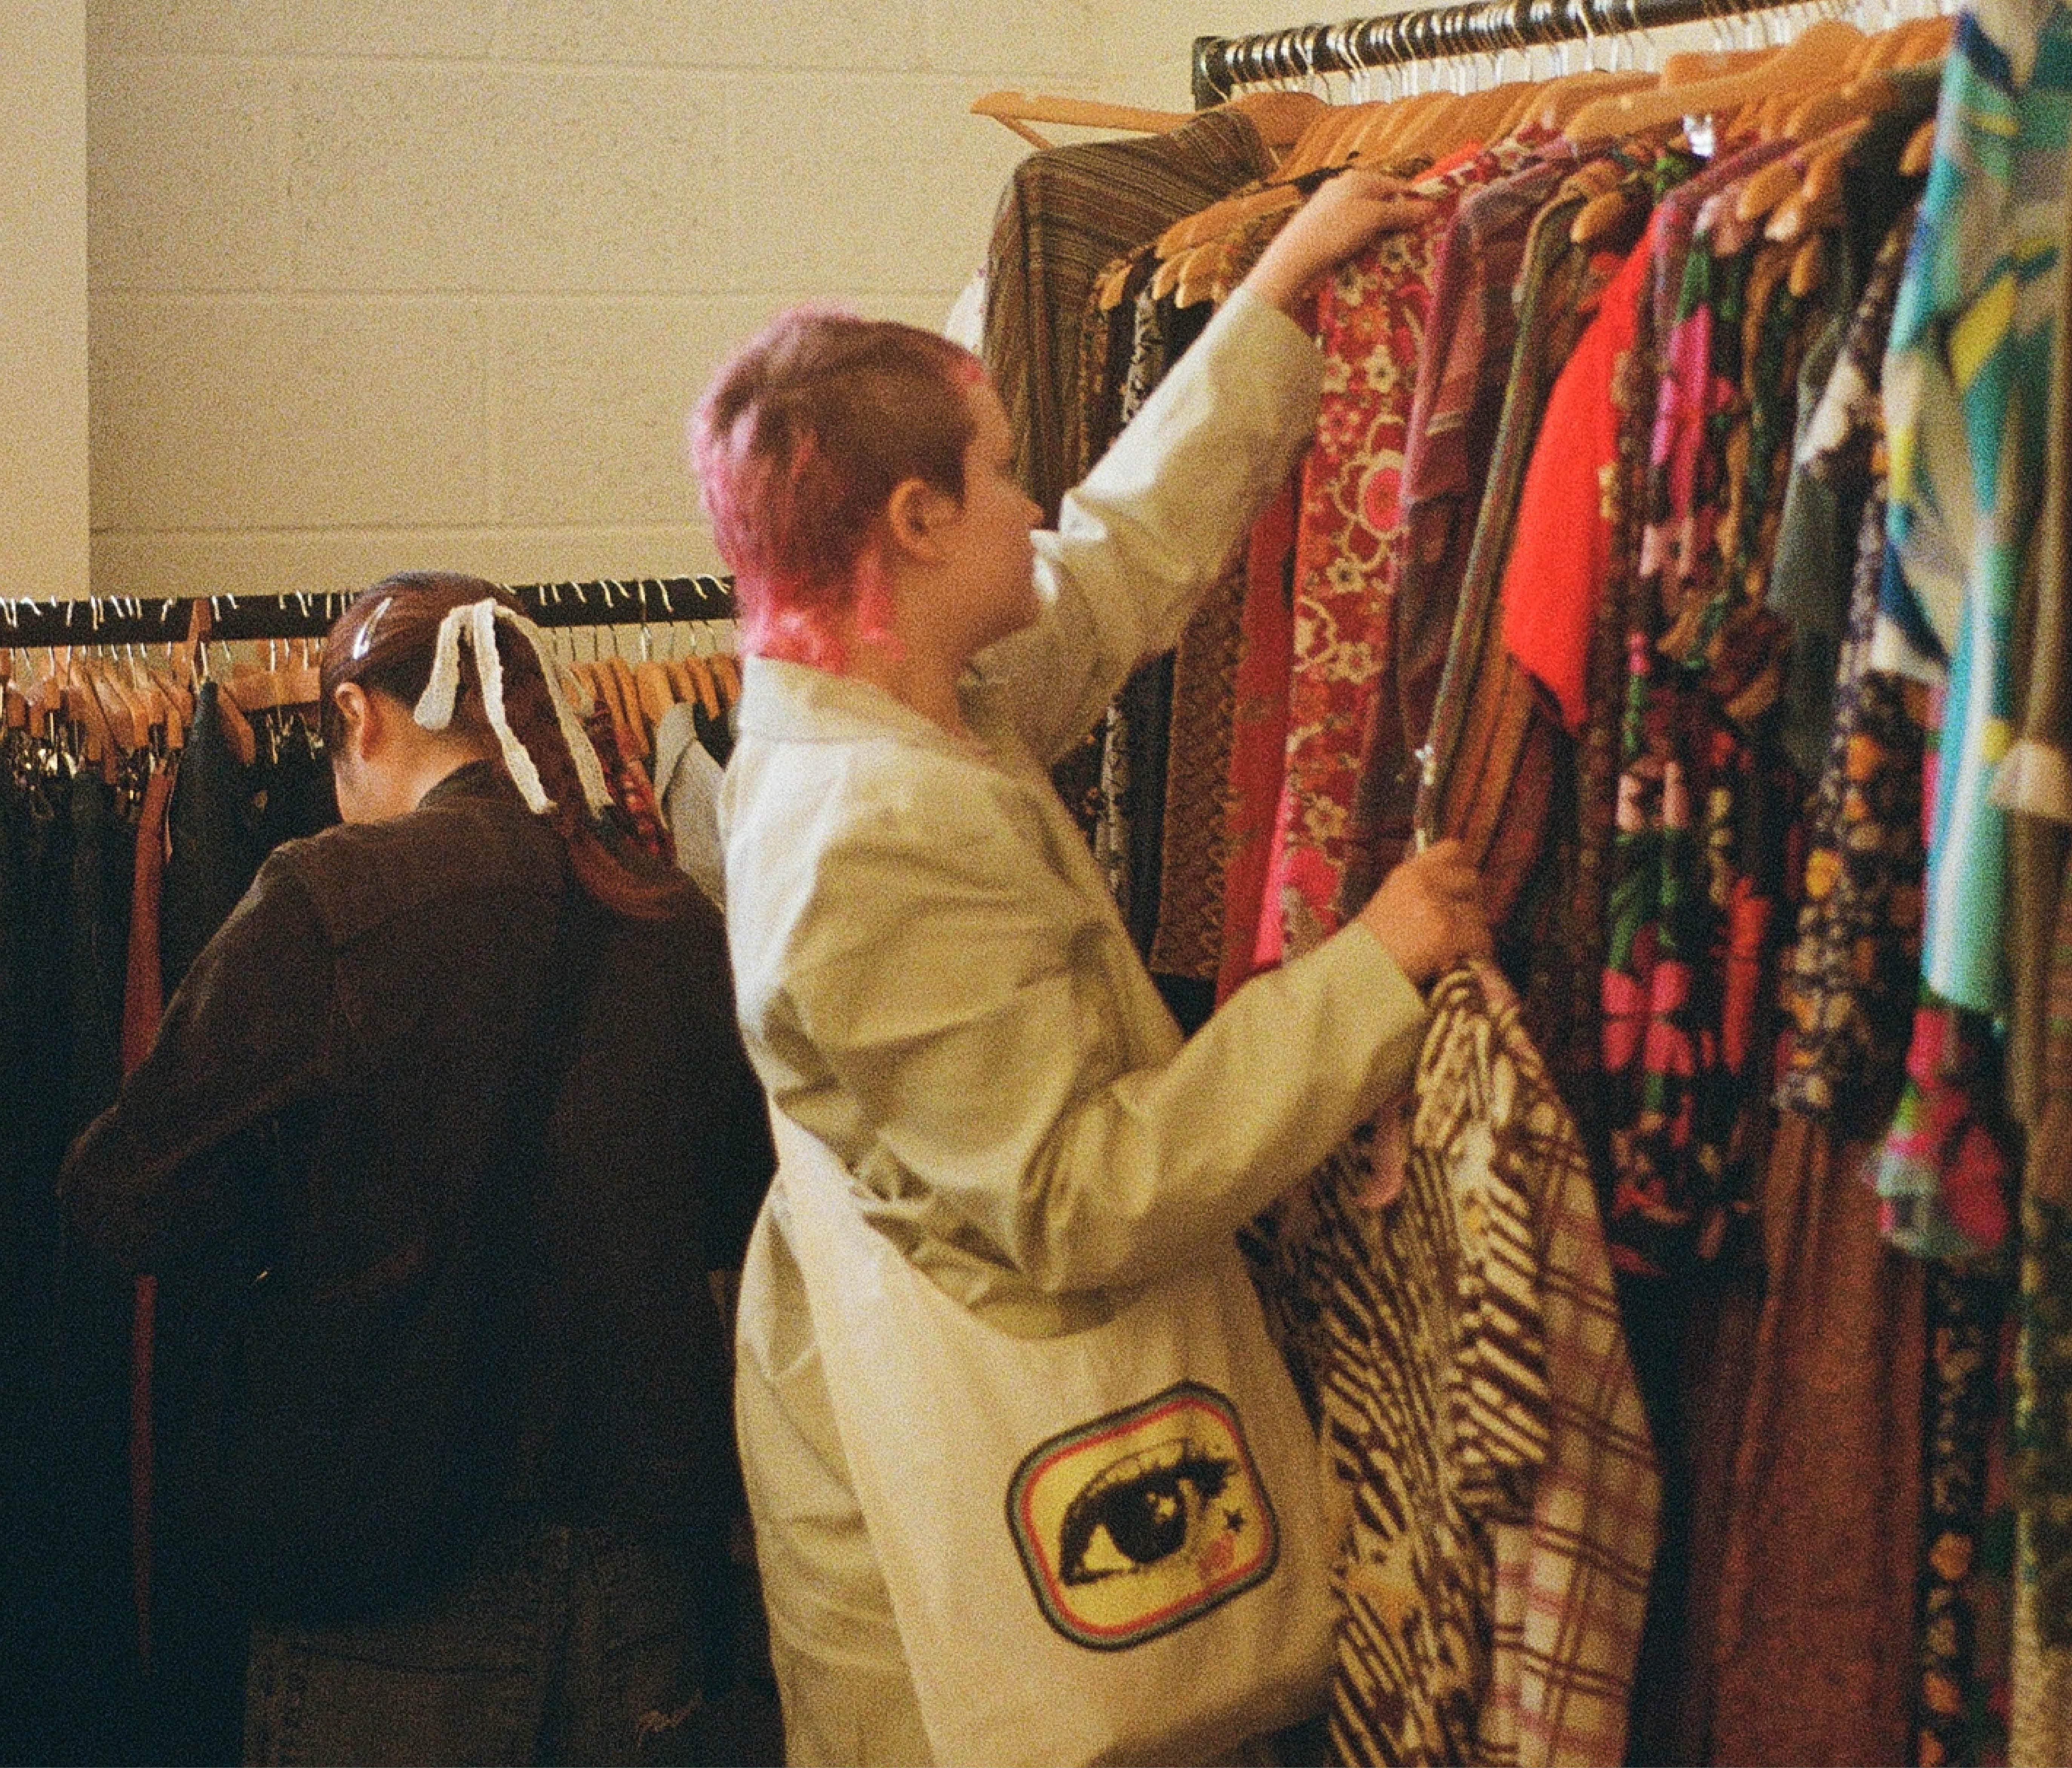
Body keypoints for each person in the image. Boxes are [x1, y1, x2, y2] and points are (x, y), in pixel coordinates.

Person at [702, 170, 1493, 1764]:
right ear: (917, 523)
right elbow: (1082, 1190)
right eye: (1001, 474)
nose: (1030, 504)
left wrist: (1276, 290)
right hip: (949, 1527)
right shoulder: (867, 834)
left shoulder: (891, 692)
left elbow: (1114, 569)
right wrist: (1372, 972)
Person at [58, 573, 775, 1766]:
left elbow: (119, 1197)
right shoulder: (670, 917)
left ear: (354, 720)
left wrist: (295, 1208)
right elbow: (737, 1206)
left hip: (384, 1555)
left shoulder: (331, 898)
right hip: (643, 1560)